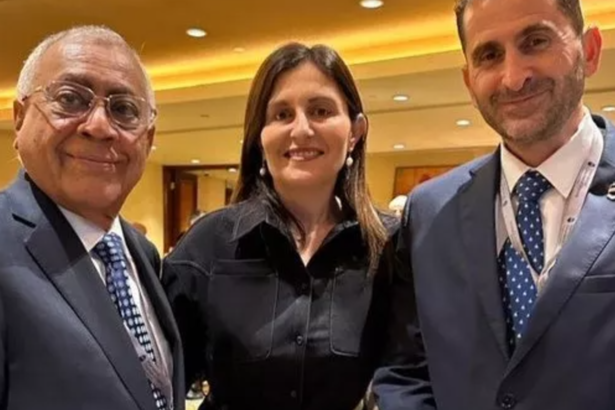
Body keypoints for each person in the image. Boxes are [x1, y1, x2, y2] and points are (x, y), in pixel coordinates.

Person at [372, 0, 615, 409]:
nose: (514, 78)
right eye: (489, 55)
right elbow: (406, 369)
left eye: (536, 41)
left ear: (589, 51)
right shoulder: (429, 211)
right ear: (469, 82)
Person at [163, 42, 398, 410]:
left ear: (355, 131)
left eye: (321, 111)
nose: (301, 129)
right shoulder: (209, 244)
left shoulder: (390, 247)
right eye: (282, 114)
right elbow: (161, 381)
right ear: (260, 136)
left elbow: (409, 376)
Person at [0, 26, 184, 410]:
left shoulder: (142, 254)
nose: (99, 126)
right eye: (70, 99)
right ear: (19, 118)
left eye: (124, 109)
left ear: (148, 139)